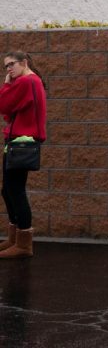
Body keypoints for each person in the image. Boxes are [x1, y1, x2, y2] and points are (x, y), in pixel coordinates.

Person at [0, 52, 46, 259]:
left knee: (15, 190)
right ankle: (15, 238)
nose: (9, 69)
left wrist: (7, 84)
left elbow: (2, 105)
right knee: (8, 190)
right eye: (6, 67)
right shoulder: (31, 81)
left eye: (11, 65)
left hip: (22, 143)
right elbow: (10, 112)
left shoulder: (27, 81)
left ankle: (23, 243)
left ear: (24, 63)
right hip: (17, 142)